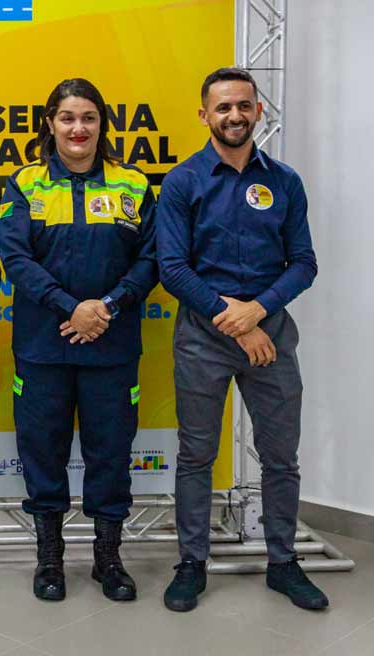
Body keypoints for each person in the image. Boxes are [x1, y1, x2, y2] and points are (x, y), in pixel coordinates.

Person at [157, 67, 326, 612]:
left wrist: (257, 312)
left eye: (243, 106)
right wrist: (233, 318)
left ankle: (283, 562)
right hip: (203, 338)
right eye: (222, 107)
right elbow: (172, 267)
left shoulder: (285, 182)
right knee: (196, 456)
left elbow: (303, 263)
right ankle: (191, 563)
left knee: (281, 457)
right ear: (204, 115)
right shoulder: (183, 182)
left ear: (258, 112)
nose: (234, 115)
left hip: (270, 337)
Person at [0, 78, 158, 603]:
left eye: (88, 117)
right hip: (44, 349)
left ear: (101, 124)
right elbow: (16, 259)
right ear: (50, 123)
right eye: (67, 117)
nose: (78, 128)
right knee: (42, 452)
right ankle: (50, 559)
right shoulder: (25, 183)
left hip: (111, 349)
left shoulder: (133, 184)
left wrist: (106, 307)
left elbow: (152, 260)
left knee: (110, 453)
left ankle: (108, 559)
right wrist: (73, 308)